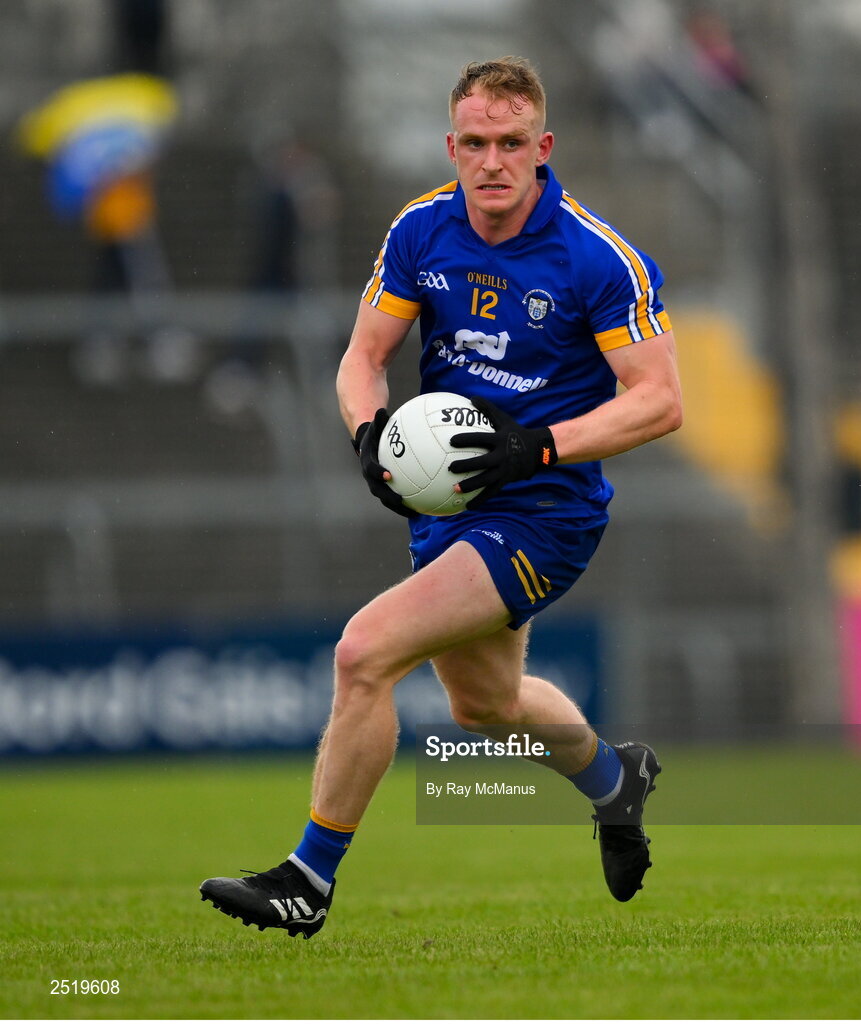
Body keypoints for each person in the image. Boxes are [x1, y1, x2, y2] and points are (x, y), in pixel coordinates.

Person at [200, 56, 682, 939]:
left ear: (543, 148)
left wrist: (534, 444)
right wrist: (367, 439)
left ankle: (308, 878)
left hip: (545, 510)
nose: (492, 161)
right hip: (451, 505)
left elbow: (658, 400)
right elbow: (362, 358)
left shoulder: (595, 257)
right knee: (486, 708)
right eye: (474, 143)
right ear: (450, 146)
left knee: (363, 653)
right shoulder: (422, 231)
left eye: (510, 143)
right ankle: (617, 781)